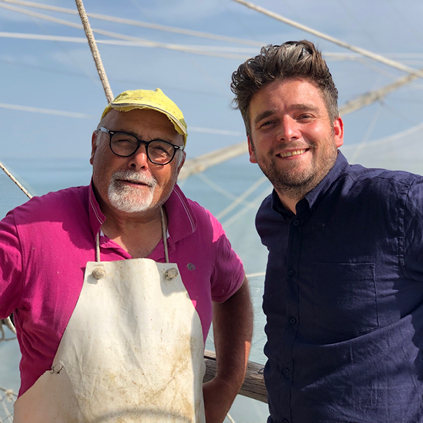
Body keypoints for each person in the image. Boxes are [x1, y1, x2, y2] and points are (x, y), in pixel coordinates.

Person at [0, 88, 253, 423]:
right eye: (123, 141)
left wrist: (225, 385)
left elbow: (233, 291)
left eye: (160, 149)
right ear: (94, 146)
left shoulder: (202, 231)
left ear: (179, 164)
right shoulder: (31, 230)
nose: (140, 160)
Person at [230, 40, 423, 423]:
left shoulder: (400, 202)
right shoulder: (270, 219)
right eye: (268, 123)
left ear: (336, 129)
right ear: (251, 147)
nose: (288, 132)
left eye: (304, 115)